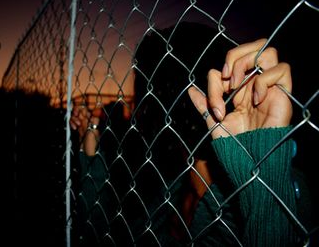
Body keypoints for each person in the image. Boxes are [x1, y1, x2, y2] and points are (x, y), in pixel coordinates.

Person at [70, 22, 313, 246]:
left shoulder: (280, 190)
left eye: (145, 93)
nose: (135, 109)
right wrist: (89, 154)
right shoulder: (174, 187)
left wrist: (265, 177)